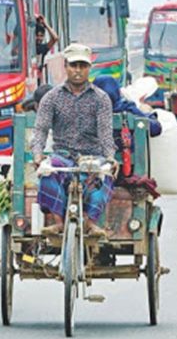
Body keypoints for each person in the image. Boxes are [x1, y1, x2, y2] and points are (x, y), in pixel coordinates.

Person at [31, 43, 116, 238]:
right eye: (73, 65)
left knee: (105, 176)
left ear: (89, 68)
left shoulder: (101, 98)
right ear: (66, 66)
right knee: (48, 171)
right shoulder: (51, 98)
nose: (78, 70)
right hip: (62, 155)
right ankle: (58, 222)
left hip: (92, 156)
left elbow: (105, 133)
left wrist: (110, 157)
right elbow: (41, 129)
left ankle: (90, 222)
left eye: (82, 66)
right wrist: (37, 155)